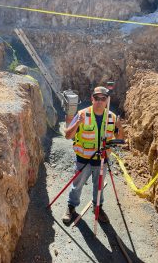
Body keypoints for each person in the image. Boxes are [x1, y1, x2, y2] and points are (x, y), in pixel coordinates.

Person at [62, 86, 124, 224]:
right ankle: (71, 208)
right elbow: (67, 135)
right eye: (97, 98)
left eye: (103, 98)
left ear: (107, 100)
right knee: (77, 185)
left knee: (99, 186)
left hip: (102, 159)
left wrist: (119, 127)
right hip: (84, 159)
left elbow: (119, 139)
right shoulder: (82, 114)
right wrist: (78, 122)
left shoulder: (112, 117)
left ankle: (98, 208)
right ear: (92, 99)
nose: (100, 101)